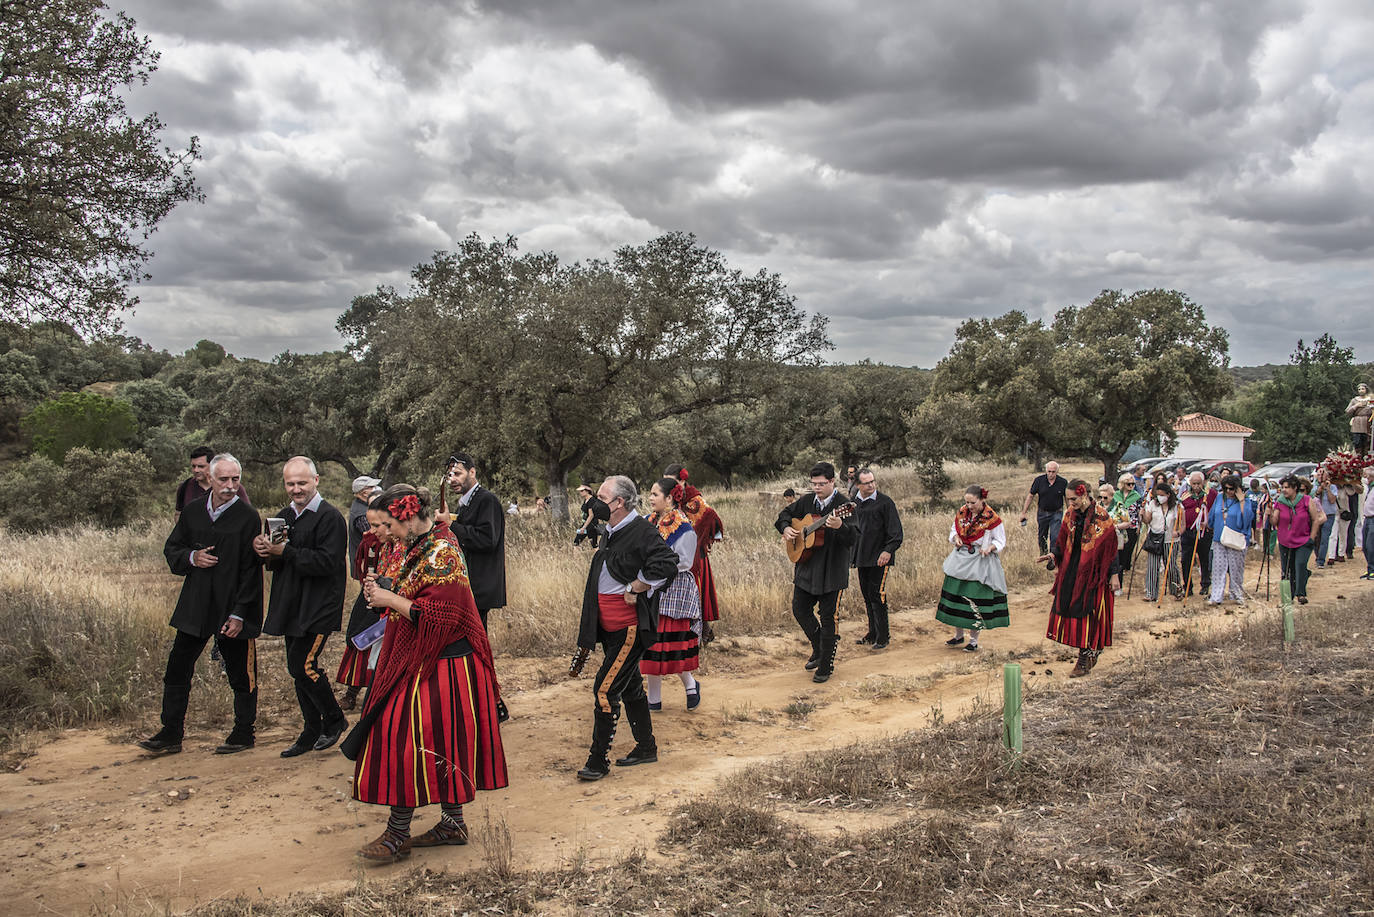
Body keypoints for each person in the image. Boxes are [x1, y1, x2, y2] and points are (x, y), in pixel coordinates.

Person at [349, 484, 508, 861]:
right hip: (430, 659)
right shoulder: (420, 543)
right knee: (443, 743)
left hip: (447, 663)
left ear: (406, 517)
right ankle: (452, 823)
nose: (381, 533)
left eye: (387, 525)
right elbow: (418, 592)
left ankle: (396, 834)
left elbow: (438, 616)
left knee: (407, 738)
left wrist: (389, 599)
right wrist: (387, 588)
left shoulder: (443, 551)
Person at [140, 454, 262, 756]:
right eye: (224, 479)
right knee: (177, 669)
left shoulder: (248, 517)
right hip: (195, 605)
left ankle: (243, 733)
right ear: (210, 477)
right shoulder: (194, 512)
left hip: (231, 607)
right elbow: (172, 549)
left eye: (236, 480)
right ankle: (170, 733)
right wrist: (192, 558)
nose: (231, 486)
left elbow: (251, 570)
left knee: (241, 673)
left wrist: (240, 613)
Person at [572, 475, 679, 781]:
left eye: (602, 498)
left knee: (604, 690)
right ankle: (646, 747)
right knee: (630, 687)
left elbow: (668, 563)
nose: (596, 502)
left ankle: (597, 760)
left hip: (630, 629)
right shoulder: (611, 529)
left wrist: (639, 584)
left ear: (619, 503)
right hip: (609, 629)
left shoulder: (642, 531)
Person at [253, 456, 349, 757]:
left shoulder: (330, 517)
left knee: (302, 665)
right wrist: (265, 551)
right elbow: (277, 561)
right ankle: (310, 731)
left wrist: (287, 551)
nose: (296, 489)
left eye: (302, 483)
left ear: (316, 481)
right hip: (290, 604)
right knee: (296, 670)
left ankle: (334, 720)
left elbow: (327, 562)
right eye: (290, 483)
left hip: (318, 606)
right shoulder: (283, 517)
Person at [776, 462, 857, 683]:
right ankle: (819, 646)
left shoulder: (845, 505)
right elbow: (784, 515)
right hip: (807, 567)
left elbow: (853, 538)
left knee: (828, 617)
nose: (817, 488)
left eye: (822, 484)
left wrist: (841, 526)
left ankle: (826, 663)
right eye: (814, 484)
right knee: (799, 609)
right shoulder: (806, 501)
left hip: (832, 570)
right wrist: (786, 528)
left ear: (832, 482)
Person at [1040, 480, 1117, 677]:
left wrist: (1114, 574)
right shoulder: (1069, 516)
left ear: (1084, 495)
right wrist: (1053, 555)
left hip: (1094, 573)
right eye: (1068, 499)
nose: (1070, 502)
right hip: (1072, 570)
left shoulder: (1102, 517)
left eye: (1073, 499)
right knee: (1071, 608)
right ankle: (1086, 653)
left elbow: (1111, 549)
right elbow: (1061, 542)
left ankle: (1086, 657)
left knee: (1090, 612)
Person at [640, 477, 702, 711]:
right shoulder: (647, 522)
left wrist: (655, 568)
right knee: (651, 646)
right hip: (651, 589)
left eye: (655, 494)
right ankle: (653, 700)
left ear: (669, 498)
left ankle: (690, 684)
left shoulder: (682, 527)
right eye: (651, 494)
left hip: (674, 592)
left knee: (673, 647)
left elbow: (683, 562)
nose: (650, 498)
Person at [336, 503, 403, 711]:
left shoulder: (408, 547)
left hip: (397, 619)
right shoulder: (380, 544)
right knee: (361, 639)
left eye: (376, 525)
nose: (370, 531)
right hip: (379, 611)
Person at [437, 452, 506, 629]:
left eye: (458, 474)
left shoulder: (486, 500)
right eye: (450, 475)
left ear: (472, 472)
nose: (452, 480)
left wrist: (451, 524)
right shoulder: (465, 502)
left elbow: (487, 540)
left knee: (475, 640)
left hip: (479, 585)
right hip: (468, 585)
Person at [936, 485, 1007, 652]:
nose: (969, 506)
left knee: (974, 599)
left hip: (979, 561)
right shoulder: (962, 513)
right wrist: (955, 538)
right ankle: (958, 635)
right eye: (966, 502)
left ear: (982, 500)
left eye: (972, 503)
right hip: (960, 559)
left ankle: (973, 641)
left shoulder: (991, 518)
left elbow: (1000, 540)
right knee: (956, 596)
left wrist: (990, 548)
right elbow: (954, 530)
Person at [663, 466, 725, 639]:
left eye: (671, 480)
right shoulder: (669, 498)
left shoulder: (694, 499)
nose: (667, 483)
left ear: (682, 480)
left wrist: (698, 538)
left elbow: (711, 519)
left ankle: (701, 632)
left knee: (697, 592)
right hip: (677, 553)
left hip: (695, 555)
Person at [850, 468, 903, 650]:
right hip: (862, 557)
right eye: (866, 483)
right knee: (867, 596)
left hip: (880, 558)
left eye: (873, 481)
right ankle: (872, 633)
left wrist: (887, 551)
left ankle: (883, 636)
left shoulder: (885, 502)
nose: (871, 485)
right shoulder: (854, 503)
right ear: (858, 485)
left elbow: (896, 533)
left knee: (877, 595)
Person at [1268, 474, 1323, 605]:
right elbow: (1274, 521)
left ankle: (1300, 593)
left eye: (1287, 487)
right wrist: (1269, 514)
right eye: (1283, 487)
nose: (1284, 490)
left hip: (1303, 540)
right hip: (1285, 541)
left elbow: (1315, 519)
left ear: (1295, 488)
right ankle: (1288, 596)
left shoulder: (1306, 500)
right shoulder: (1280, 502)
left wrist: (1311, 537)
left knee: (1300, 564)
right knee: (1287, 570)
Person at [1207, 474, 1256, 605]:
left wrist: (1241, 500)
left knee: (1236, 569)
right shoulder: (1219, 498)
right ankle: (1216, 596)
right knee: (1218, 568)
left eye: (1232, 489)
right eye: (1226, 488)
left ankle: (1236, 593)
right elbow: (1212, 515)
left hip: (1236, 538)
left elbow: (1247, 519)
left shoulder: (1245, 501)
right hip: (1219, 537)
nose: (1229, 491)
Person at [174, 445, 249, 520]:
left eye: (201, 466)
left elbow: (247, 514)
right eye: (193, 466)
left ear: (212, 465)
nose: (196, 470)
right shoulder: (185, 486)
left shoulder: (232, 488)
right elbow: (178, 514)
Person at [1140, 482, 1184, 602]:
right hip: (1155, 538)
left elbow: (1182, 524)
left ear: (1168, 495)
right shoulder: (1153, 505)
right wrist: (1143, 516)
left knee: (1171, 566)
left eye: (1162, 495)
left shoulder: (1177, 506)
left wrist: (1178, 532)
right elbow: (1147, 520)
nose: (1159, 497)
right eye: (1157, 495)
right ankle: (1151, 593)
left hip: (1171, 540)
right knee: (1152, 566)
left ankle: (1176, 590)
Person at [1019, 461, 1067, 563]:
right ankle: (1043, 554)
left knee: (1055, 536)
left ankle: (1052, 558)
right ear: (1046, 471)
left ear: (1057, 471)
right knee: (1042, 536)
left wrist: (1070, 512)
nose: (1051, 474)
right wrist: (1024, 512)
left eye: (1053, 472)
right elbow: (1030, 496)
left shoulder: (1063, 482)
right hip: (1042, 512)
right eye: (1049, 471)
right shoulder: (1039, 481)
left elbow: (1067, 498)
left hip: (1057, 513)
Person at [1179, 472, 1217, 597]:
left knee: (1204, 559)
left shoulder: (1210, 494)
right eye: (1193, 484)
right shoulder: (1185, 496)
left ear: (1203, 483)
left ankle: (1205, 584)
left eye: (1198, 483)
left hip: (1204, 532)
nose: (1196, 486)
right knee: (1186, 560)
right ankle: (1188, 586)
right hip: (1188, 532)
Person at [1109, 473, 1143, 592]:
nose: (1131, 486)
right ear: (1123, 484)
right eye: (1129, 484)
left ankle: (1121, 580)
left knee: (1125, 554)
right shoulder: (1115, 495)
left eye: (1133, 484)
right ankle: (1116, 582)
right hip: (1118, 527)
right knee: (1117, 555)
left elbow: (1140, 513)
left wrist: (1139, 526)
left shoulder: (1137, 496)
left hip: (1132, 527)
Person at [347, 476, 381, 564]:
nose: (376, 488)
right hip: (365, 564)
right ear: (365, 493)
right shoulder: (362, 514)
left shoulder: (362, 506)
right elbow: (374, 538)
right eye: (372, 487)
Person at [1313, 468, 1340, 568]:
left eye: (1322, 474)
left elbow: (1332, 500)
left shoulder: (1333, 487)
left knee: (1325, 538)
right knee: (1316, 538)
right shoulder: (1314, 486)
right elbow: (1313, 496)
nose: (1320, 476)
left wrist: (1327, 489)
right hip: (1317, 516)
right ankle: (1317, 556)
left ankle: (1321, 561)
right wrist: (1320, 488)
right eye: (1319, 474)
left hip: (1329, 515)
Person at [1346, 383, 1372, 453]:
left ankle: (1367, 458)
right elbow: (1347, 411)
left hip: (1367, 422)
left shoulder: (1371, 400)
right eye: (1359, 389)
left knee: (1367, 442)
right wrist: (1356, 406)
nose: (1361, 391)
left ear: (1366, 390)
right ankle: (1358, 457)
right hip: (1357, 423)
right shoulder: (1354, 400)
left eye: (1362, 389)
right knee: (1357, 442)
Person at [1361, 468, 1374, 580]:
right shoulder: (1370, 488)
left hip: (1373, 519)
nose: (1366, 478)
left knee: (1371, 546)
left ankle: (1373, 569)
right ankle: (1370, 568)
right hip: (1367, 518)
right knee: (1365, 546)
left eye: (1367, 476)